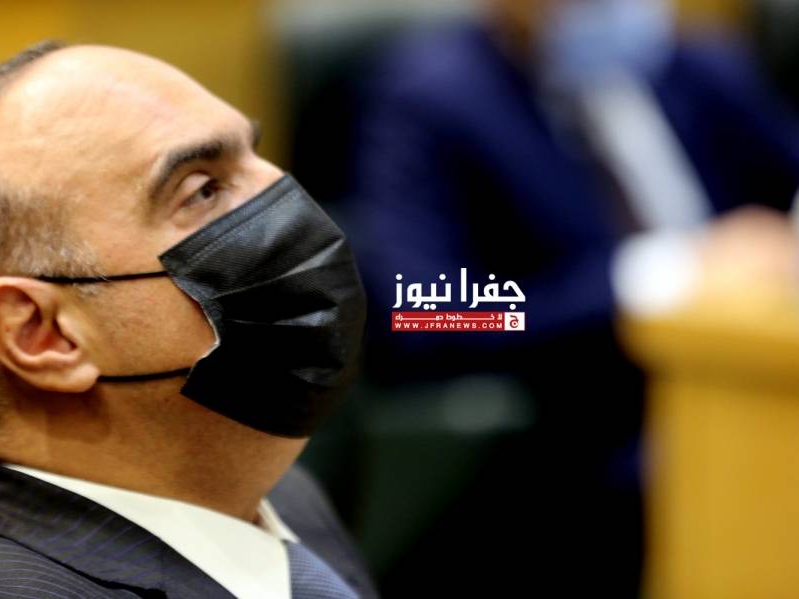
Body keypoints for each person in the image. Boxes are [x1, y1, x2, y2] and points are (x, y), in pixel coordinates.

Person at [342, 0, 799, 595]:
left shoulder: (697, 65)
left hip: (749, 373)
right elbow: (428, 312)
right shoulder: (432, 97)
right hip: (589, 426)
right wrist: (652, 277)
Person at [0, 41, 375, 599]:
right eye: (203, 189)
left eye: (257, 155)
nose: (288, 201)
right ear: (43, 333)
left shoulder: (276, 497)